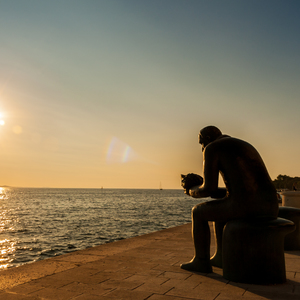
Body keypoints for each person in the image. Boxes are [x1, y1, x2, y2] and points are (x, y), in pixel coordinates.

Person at [181, 126, 279, 273]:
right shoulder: (239, 144)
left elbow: (209, 189)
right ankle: (221, 256)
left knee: (198, 212)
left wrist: (191, 190)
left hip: (248, 206)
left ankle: (201, 262)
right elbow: (235, 191)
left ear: (207, 139)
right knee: (221, 206)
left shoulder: (212, 148)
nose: (202, 148)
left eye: (201, 143)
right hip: (269, 205)